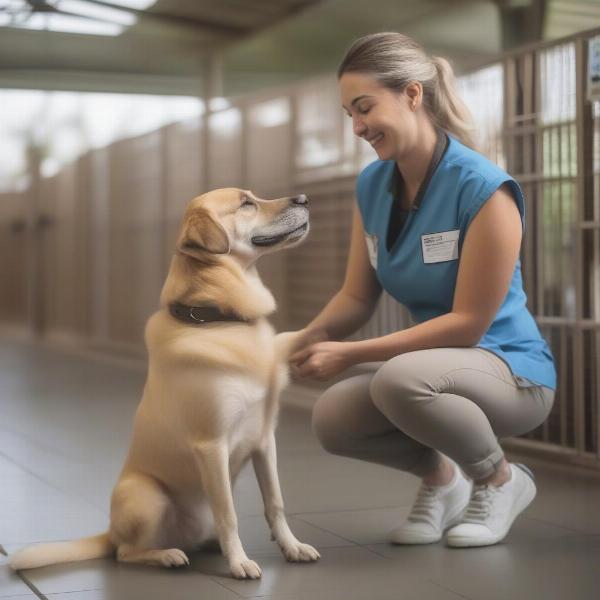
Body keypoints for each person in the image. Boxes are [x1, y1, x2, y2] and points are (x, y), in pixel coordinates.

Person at [289, 32, 556, 548]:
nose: (358, 127)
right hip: (433, 369)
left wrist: (350, 353)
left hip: (511, 369)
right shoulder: (372, 186)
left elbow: (469, 324)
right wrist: (309, 336)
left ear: (413, 95)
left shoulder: (483, 187)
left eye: (364, 108)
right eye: (349, 113)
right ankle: (443, 482)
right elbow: (356, 297)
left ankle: (501, 480)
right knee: (333, 417)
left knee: (396, 380)